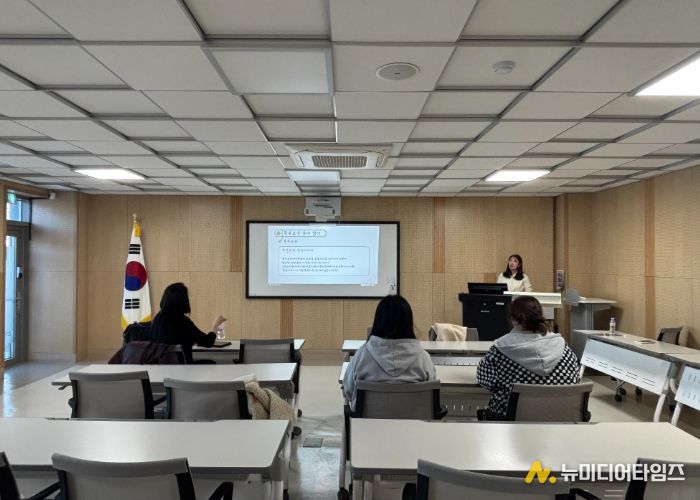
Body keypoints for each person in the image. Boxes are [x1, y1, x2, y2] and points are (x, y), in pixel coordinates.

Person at [476, 295, 580, 420]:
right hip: (560, 420)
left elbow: (485, 380)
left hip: (510, 423)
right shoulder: (564, 347)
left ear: (514, 320)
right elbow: (575, 380)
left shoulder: (499, 350)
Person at [342, 295, 436, 411]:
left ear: (378, 321)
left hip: (368, 422)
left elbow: (349, 391)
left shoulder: (361, 356)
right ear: (408, 323)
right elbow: (430, 392)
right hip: (413, 421)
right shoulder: (423, 358)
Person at [150, 282, 225, 364]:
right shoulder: (183, 322)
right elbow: (208, 342)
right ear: (183, 301)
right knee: (211, 363)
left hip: (161, 368)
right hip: (185, 368)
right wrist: (215, 325)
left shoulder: (157, 319)